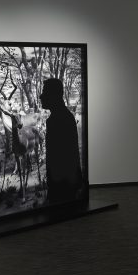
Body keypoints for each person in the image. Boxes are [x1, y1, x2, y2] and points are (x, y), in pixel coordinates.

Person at [39, 78, 85, 207]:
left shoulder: (57, 120)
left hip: (62, 186)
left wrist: (55, 185)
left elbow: (61, 159)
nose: (41, 96)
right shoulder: (64, 116)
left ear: (54, 95)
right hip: (66, 183)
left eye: (45, 92)